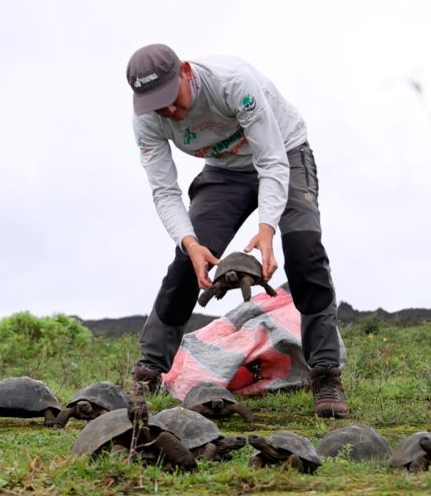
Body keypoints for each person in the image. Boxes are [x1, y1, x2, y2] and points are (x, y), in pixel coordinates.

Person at [125, 43, 349, 418]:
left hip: (284, 152)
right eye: (158, 106)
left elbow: (272, 161)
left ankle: (325, 373)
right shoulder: (147, 120)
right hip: (225, 171)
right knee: (187, 263)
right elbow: (164, 191)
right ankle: (148, 371)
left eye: (172, 98)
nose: (170, 112)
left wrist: (267, 227)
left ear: (185, 71)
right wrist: (190, 243)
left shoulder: (233, 83)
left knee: (304, 250)